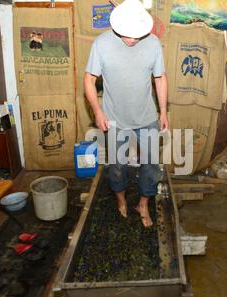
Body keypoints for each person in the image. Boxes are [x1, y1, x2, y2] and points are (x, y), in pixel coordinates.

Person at [84, 0, 168, 228]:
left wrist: (162, 110)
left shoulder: (153, 44)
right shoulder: (101, 44)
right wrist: (97, 111)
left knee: (151, 165)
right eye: (128, 35)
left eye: (137, 35)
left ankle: (143, 204)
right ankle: (120, 200)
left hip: (146, 116)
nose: (132, 40)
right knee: (117, 165)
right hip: (114, 118)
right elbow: (89, 80)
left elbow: (159, 78)